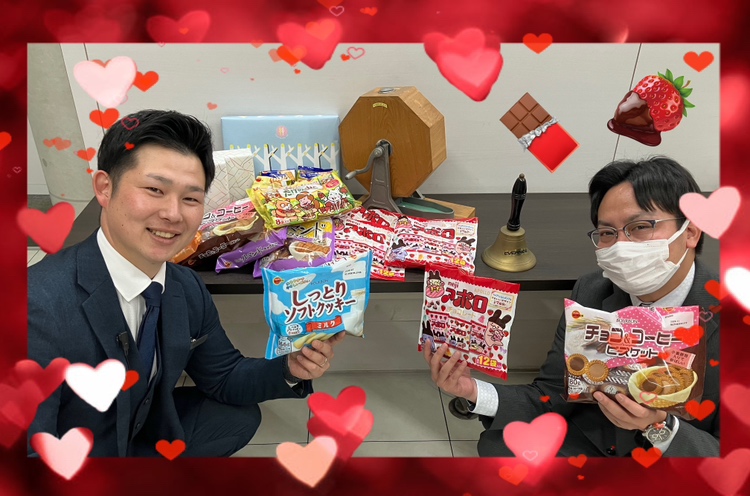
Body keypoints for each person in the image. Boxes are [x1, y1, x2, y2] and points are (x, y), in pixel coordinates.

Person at [28, 109, 345, 457]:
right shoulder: (36, 306)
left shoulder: (183, 286)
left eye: (191, 198)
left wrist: (290, 366)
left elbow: (224, 376)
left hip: (143, 428)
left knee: (235, 417)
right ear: (105, 188)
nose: (173, 214)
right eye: (154, 189)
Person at [424, 156, 719, 457]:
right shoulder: (592, 292)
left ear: (691, 232)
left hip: (677, 457)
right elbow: (550, 394)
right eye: (608, 233)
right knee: (501, 446)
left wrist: (660, 427)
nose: (622, 246)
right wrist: (472, 391)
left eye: (641, 226)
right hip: (590, 442)